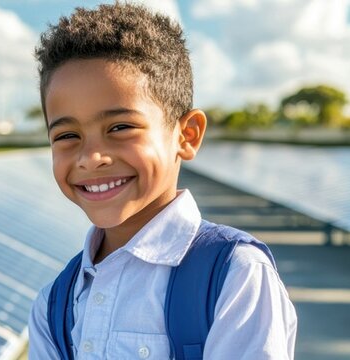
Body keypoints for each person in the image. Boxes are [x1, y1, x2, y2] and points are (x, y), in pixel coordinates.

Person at [27, 3, 297, 359]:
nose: (91, 157)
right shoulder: (52, 305)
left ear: (187, 135)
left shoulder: (235, 276)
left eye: (120, 127)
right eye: (66, 135)